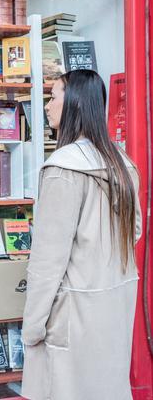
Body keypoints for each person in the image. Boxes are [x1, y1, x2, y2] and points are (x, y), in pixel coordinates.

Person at [21, 69, 141, 400]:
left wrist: (32, 327)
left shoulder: (63, 167)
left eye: (53, 96)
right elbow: (136, 230)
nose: (47, 105)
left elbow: (48, 260)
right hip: (114, 307)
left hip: (72, 315)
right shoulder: (123, 164)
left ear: (73, 103)